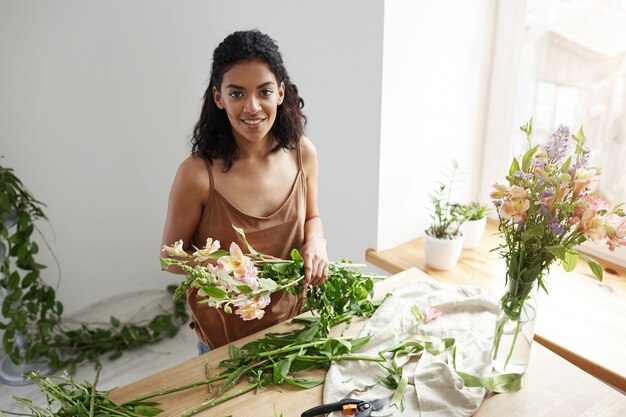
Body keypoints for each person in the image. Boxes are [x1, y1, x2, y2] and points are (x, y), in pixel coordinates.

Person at [161, 30, 328, 353]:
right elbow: (170, 256)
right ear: (218, 98)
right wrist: (224, 268)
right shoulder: (197, 174)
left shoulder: (303, 153)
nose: (252, 107)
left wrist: (316, 242)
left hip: (294, 329)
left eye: (263, 92)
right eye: (237, 94)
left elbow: (313, 217)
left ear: (280, 93)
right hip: (225, 343)